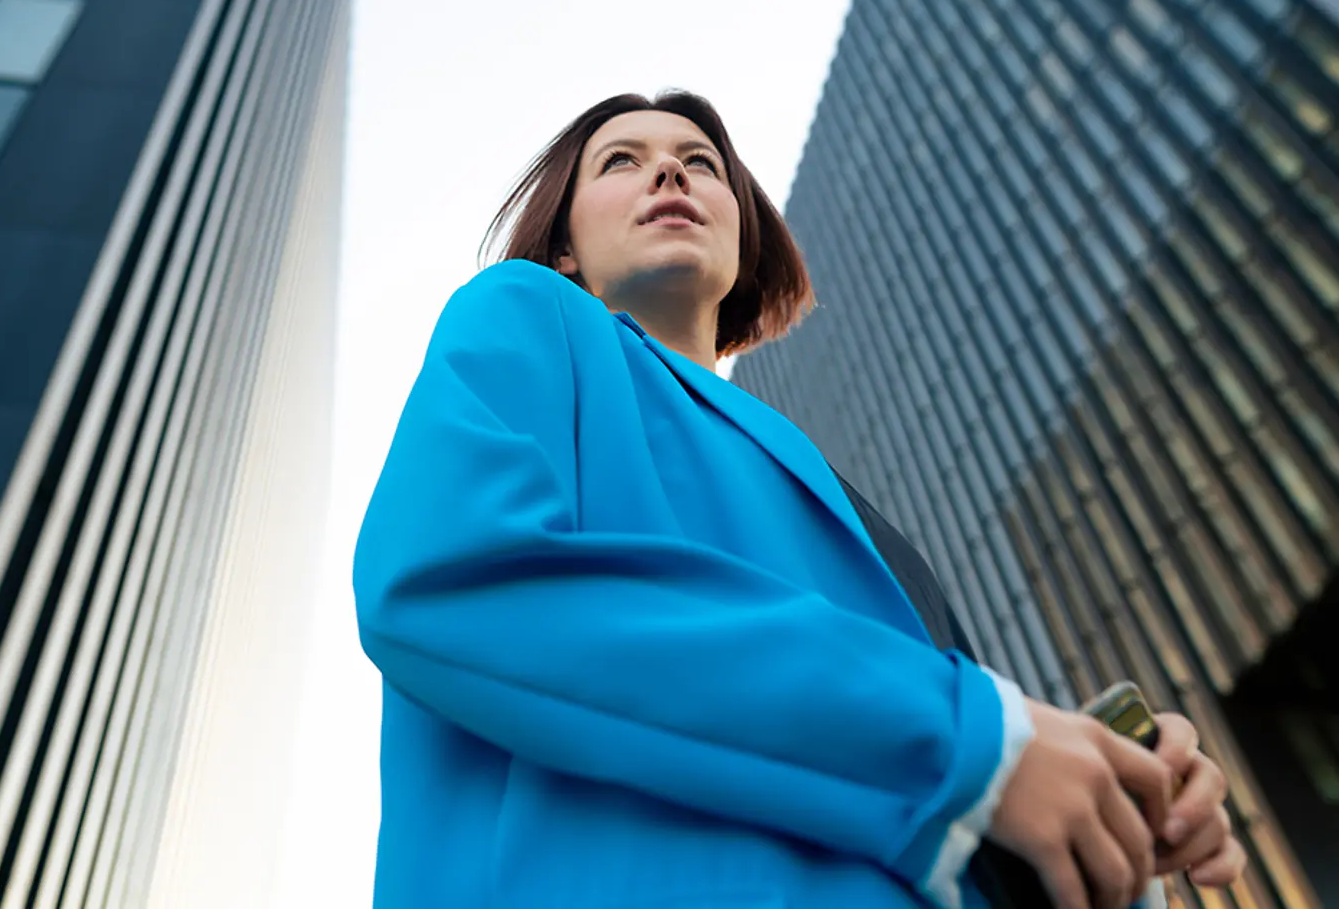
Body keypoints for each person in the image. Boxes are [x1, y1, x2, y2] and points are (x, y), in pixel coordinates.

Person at [352, 91, 1246, 909]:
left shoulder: (845, 504)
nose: (671, 170)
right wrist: (973, 747)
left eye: (702, 163)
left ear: (740, 237)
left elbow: (963, 800)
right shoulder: (522, 311)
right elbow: (452, 576)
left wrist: (1111, 802)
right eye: (621, 160)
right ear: (564, 247)